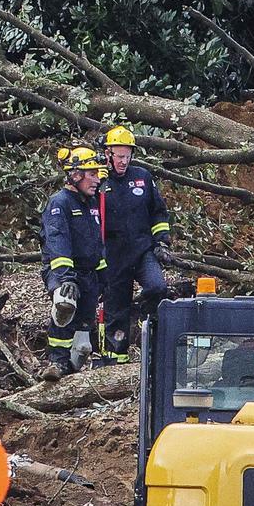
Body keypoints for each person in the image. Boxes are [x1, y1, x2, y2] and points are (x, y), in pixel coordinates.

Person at [98, 125, 171, 364]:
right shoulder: (99, 182)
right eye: (119, 156)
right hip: (113, 255)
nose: (123, 162)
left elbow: (158, 212)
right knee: (116, 308)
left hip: (142, 250)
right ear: (107, 154)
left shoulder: (142, 177)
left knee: (157, 287)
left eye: (127, 156)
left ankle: (144, 322)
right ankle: (115, 359)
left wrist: (161, 242)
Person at [39, 145, 107, 381]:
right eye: (92, 174)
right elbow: (58, 242)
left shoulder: (91, 203)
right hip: (63, 271)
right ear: (75, 175)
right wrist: (65, 278)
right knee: (65, 303)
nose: (97, 179)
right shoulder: (60, 203)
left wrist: (103, 276)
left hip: (89, 272)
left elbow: (96, 242)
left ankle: (73, 368)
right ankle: (56, 361)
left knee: (83, 342)